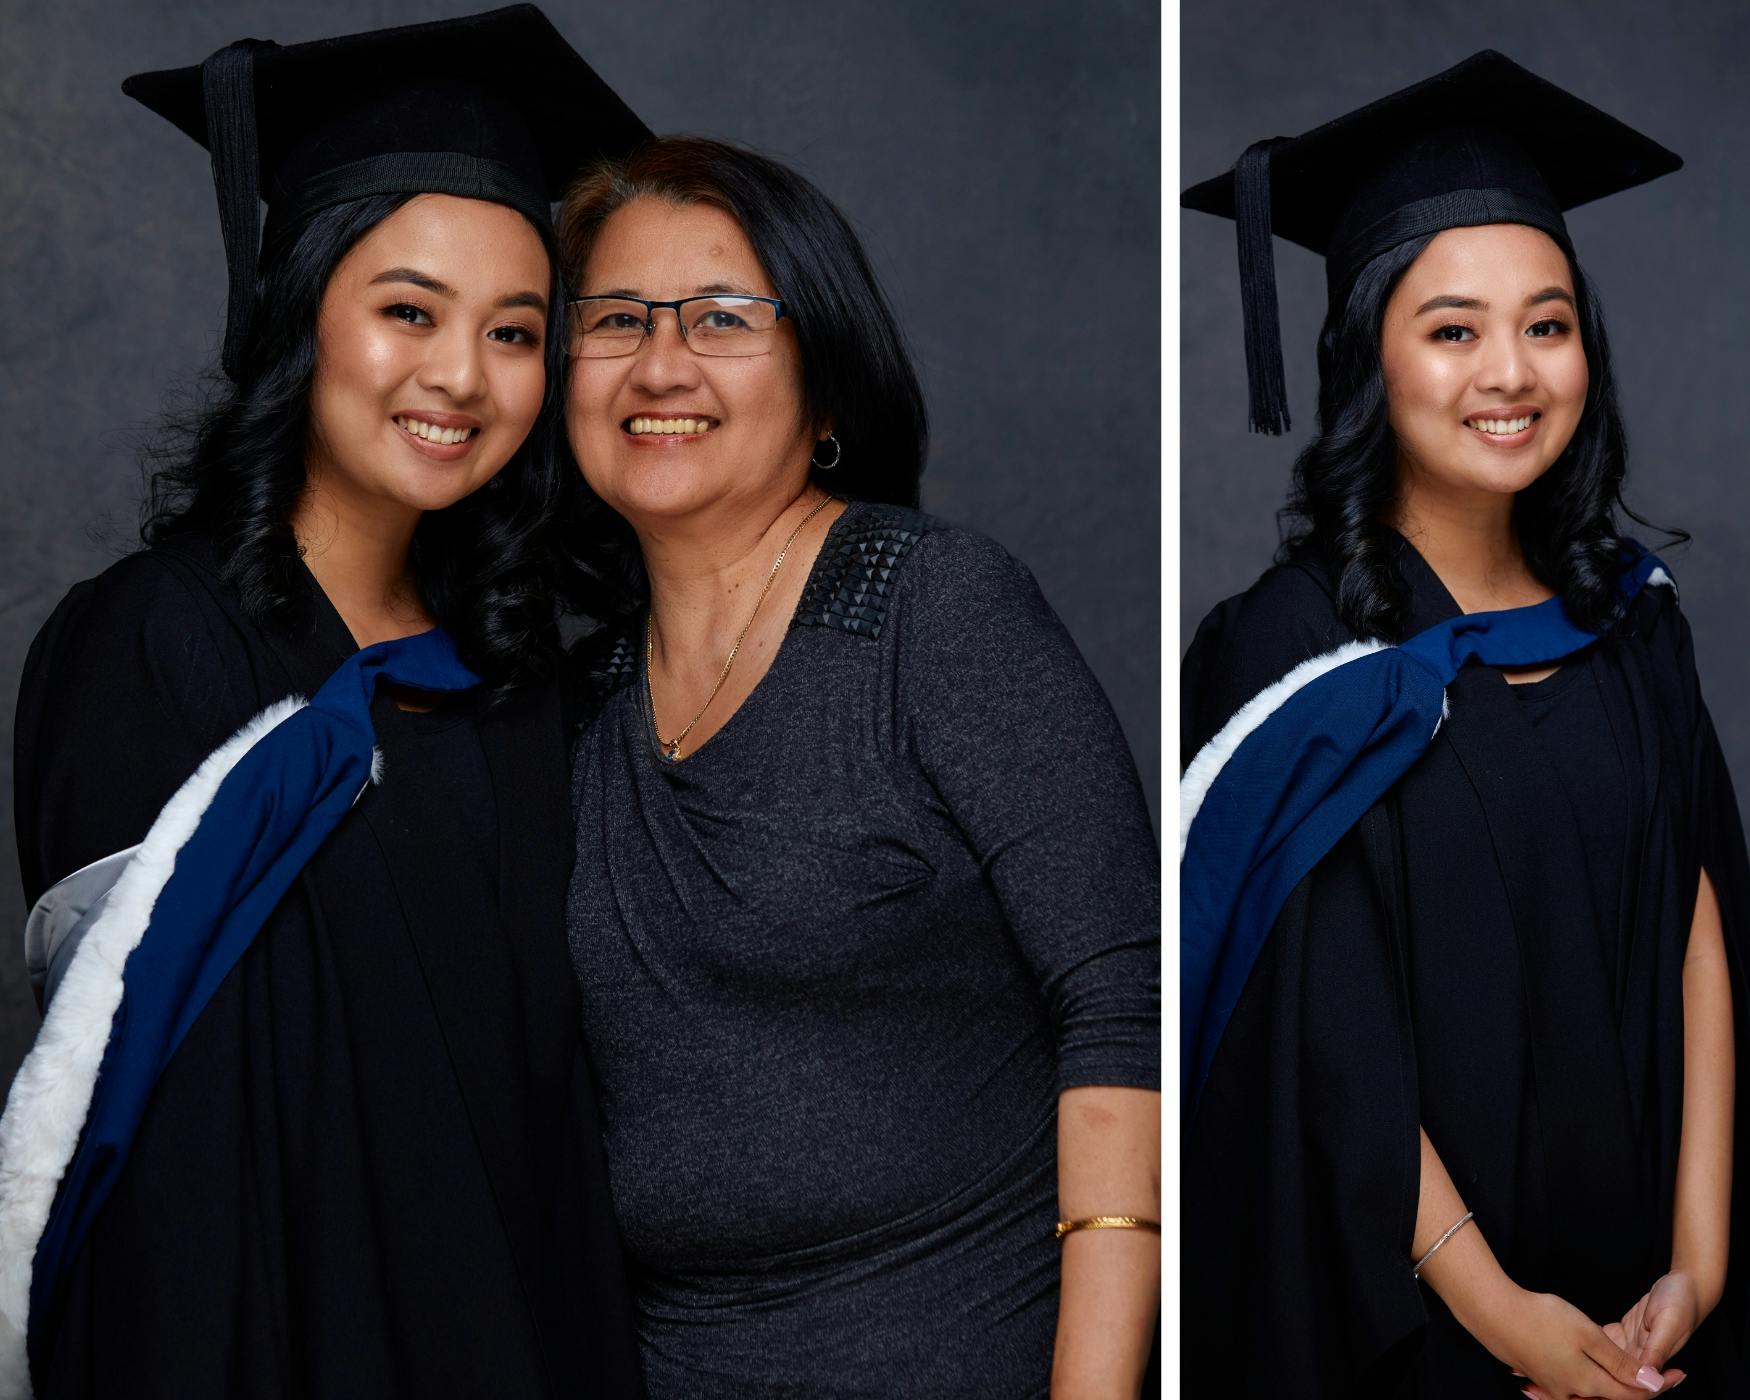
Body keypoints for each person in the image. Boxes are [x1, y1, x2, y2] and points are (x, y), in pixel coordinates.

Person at [2, 9, 652, 1396]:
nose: (462, 379)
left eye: (516, 331)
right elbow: (146, 1155)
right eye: (407, 310)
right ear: (299, 307)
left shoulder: (520, 684)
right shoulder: (150, 649)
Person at [1180, 51, 1750, 1398]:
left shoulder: (1628, 623)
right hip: (1418, 1321)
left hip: (1650, 1314)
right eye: (1451, 329)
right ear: (1365, 354)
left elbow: (1699, 934)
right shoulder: (1290, 657)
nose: (1509, 371)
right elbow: (1322, 1046)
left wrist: (1702, 1262)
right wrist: (1504, 1317)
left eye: (1545, 325)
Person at [555, 136, 1162, 1397]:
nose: (660, 363)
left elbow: (1123, 1009)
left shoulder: (936, 613)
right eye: (616, 319)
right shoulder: (572, 704)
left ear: (827, 385)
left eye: (722, 318)